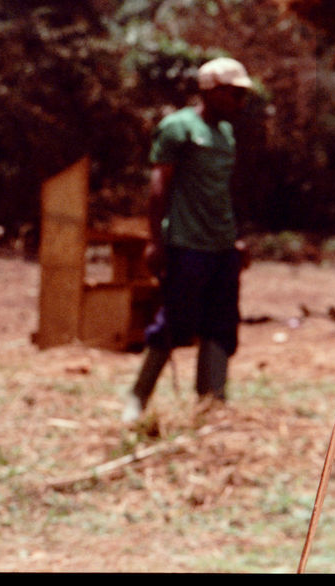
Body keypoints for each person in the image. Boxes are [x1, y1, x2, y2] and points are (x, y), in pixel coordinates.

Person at [122, 56, 254, 425]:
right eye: (235, 93)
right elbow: (158, 188)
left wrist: (237, 238)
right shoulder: (177, 128)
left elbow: (225, 193)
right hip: (186, 244)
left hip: (222, 247)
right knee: (174, 323)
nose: (240, 102)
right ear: (211, 91)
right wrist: (155, 241)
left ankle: (211, 404)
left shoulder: (226, 135)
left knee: (221, 324)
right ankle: (137, 399)